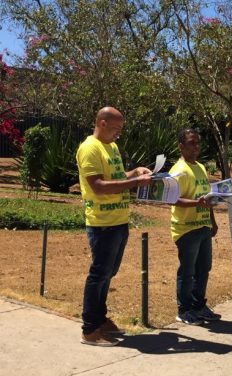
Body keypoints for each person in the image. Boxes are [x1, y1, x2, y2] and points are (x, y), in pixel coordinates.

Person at [76, 107, 153, 346]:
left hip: (119, 221)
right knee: (98, 274)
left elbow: (117, 175)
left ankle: (100, 319)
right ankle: (90, 330)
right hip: (102, 223)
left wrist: (135, 172)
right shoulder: (89, 148)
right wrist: (134, 181)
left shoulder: (111, 147)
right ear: (101, 123)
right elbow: (98, 185)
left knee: (109, 273)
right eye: (115, 129)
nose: (118, 134)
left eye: (120, 130)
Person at [169, 128, 221, 325]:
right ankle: (184, 310)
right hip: (186, 228)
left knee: (203, 268)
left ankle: (199, 306)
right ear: (181, 146)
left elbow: (207, 197)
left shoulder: (200, 166)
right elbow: (172, 199)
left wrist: (213, 221)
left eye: (198, 142)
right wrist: (197, 204)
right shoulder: (178, 171)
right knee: (188, 271)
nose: (196, 146)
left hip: (203, 227)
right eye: (192, 143)